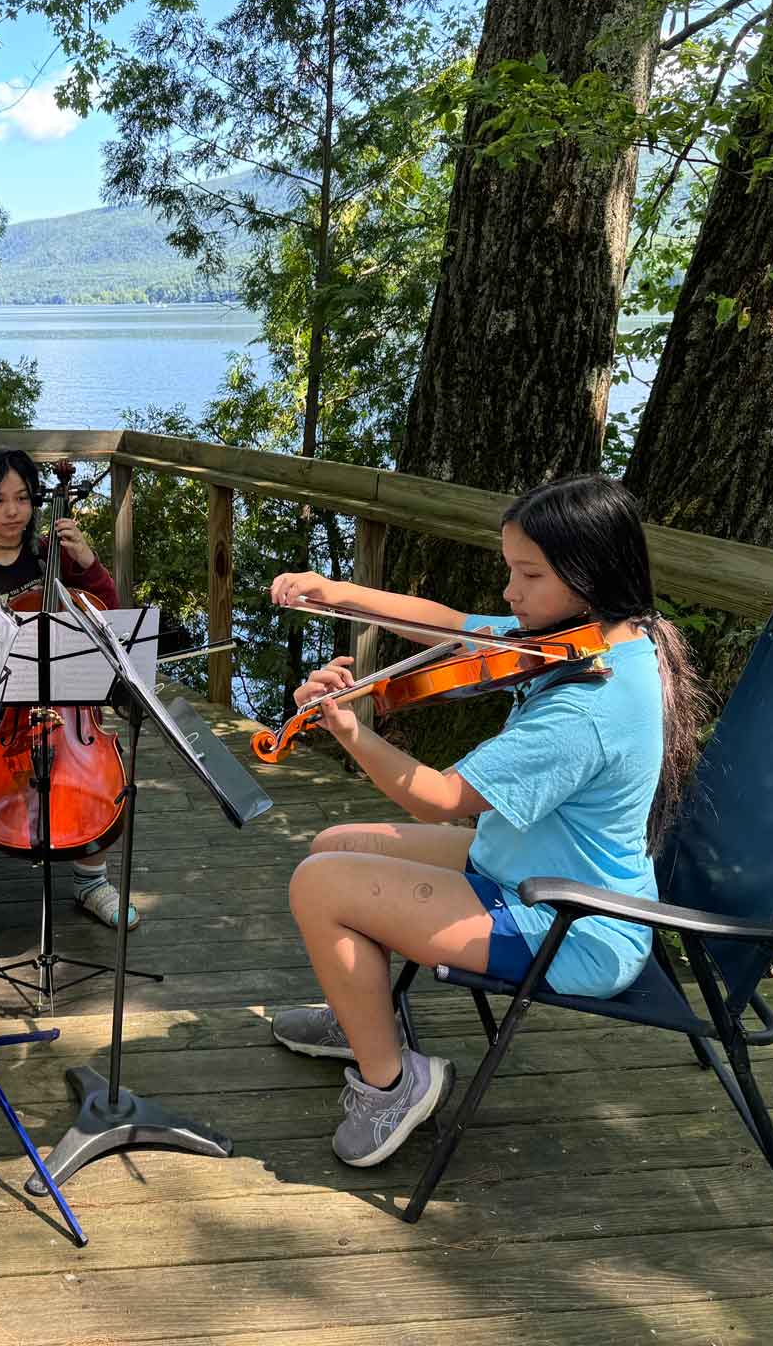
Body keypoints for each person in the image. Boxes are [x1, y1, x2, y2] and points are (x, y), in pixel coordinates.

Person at [266, 475, 707, 1170]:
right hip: (521, 865)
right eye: (510, 569)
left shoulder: (591, 708)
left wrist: (349, 730)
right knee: (333, 845)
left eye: (528, 574)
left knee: (320, 885)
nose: (510, 592)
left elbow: (438, 797)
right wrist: (340, 593)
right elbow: (447, 624)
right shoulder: (593, 636)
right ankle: (362, 1017)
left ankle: (391, 1085)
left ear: (591, 574)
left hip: (571, 921)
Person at [0, 447, 140, 956]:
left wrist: (87, 564)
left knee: (102, 770)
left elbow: (108, 621)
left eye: (22, 498)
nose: (12, 512)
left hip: (63, 706)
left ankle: (90, 879)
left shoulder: (51, 562)